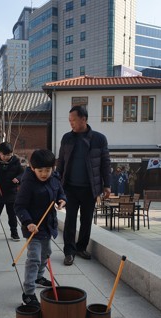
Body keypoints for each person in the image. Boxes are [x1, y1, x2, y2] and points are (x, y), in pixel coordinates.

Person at [57, 106, 111, 266]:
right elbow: (61, 163)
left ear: (84, 119)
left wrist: (107, 185)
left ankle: (81, 248)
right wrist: (56, 185)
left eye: (73, 120)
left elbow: (105, 163)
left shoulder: (99, 139)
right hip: (70, 188)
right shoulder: (67, 138)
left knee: (87, 220)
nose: (71, 123)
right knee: (70, 220)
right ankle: (69, 252)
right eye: (69, 120)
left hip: (90, 189)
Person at [14, 149, 66, 307]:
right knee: (34, 258)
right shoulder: (28, 183)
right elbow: (19, 206)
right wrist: (28, 222)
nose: (44, 174)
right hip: (33, 227)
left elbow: (60, 193)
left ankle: (38, 277)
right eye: (40, 170)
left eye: (48, 170)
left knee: (46, 253)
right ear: (32, 167)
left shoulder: (54, 178)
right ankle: (28, 293)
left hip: (48, 225)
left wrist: (62, 200)